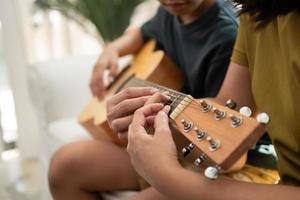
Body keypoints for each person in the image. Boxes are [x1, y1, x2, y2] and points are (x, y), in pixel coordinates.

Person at [106, 0, 300, 199]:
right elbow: (228, 106)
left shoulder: (230, 26)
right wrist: (157, 112)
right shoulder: (253, 13)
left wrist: (168, 176)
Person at [48, 0, 238, 199]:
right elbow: (141, 34)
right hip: (160, 141)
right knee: (64, 166)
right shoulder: (171, 12)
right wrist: (112, 50)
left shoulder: (227, 35)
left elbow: (222, 119)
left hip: (198, 158)